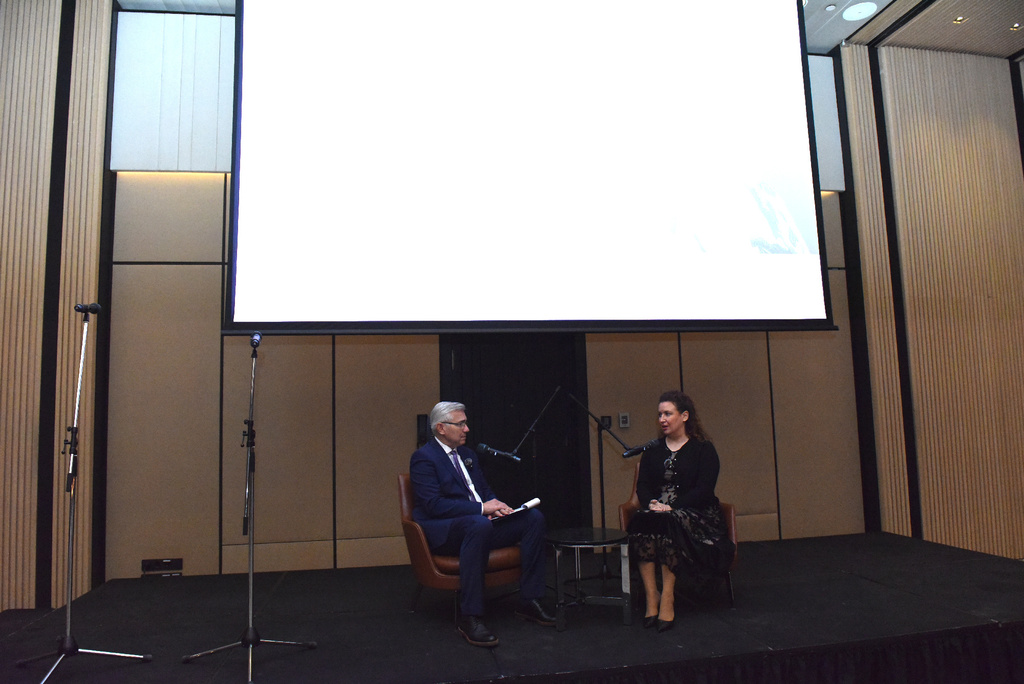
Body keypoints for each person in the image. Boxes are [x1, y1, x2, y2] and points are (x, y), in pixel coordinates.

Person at [409, 401, 554, 647]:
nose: (466, 429)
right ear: (441, 428)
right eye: (460, 424)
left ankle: (530, 600)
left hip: (481, 525)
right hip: (448, 532)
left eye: (465, 423)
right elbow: (434, 505)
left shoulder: (468, 455)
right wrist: (480, 510)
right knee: (479, 524)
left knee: (533, 519)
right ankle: (470, 616)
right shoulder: (423, 458)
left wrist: (496, 506)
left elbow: (483, 492)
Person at [627, 390, 735, 633]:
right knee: (641, 520)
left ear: (684, 416)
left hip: (697, 514)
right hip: (660, 511)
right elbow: (643, 485)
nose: (662, 419)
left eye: (668, 414)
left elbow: (704, 490)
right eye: (659, 415)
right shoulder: (653, 450)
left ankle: (668, 596)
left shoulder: (703, 449)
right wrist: (651, 503)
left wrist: (672, 506)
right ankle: (651, 595)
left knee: (670, 521)